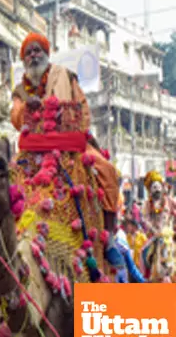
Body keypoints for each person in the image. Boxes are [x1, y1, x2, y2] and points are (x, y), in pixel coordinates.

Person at [10, 32, 120, 234]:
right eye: (28, 53)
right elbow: (16, 116)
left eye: (38, 50)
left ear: (46, 54)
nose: (33, 55)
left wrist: (69, 125)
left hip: (70, 145)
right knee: (6, 180)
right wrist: (28, 107)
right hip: (34, 149)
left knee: (107, 170)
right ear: (24, 60)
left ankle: (110, 234)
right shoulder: (20, 91)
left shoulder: (64, 75)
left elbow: (83, 110)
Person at [141, 170, 176, 236]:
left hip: (168, 236)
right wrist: (153, 230)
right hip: (153, 237)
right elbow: (145, 219)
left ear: (162, 188)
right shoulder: (147, 204)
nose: (157, 190)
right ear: (150, 190)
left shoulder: (169, 201)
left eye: (159, 187)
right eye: (154, 187)